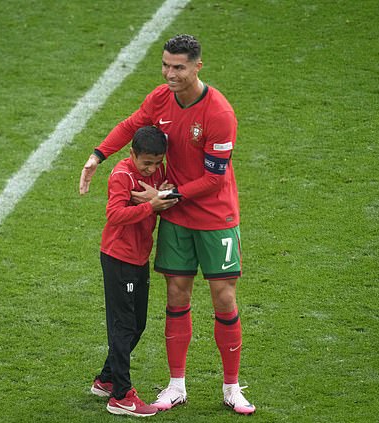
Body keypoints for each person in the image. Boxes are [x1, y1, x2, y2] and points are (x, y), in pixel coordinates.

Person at [80, 34, 255, 415]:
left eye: (178, 67)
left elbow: (214, 179)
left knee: (224, 298)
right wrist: (98, 155)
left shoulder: (219, 114)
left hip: (215, 218)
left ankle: (231, 387)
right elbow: (131, 125)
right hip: (175, 216)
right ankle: (176, 386)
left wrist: (164, 197)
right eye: (165, 65)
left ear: (197, 67)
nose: (170, 73)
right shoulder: (160, 98)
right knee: (177, 296)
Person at [90, 125, 178, 417]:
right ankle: (121, 396)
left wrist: (162, 195)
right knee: (124, 325)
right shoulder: (121, 175)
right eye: (146, 163)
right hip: (118, 259)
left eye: (157, 162)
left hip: (138, 258)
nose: (152, 169)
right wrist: (150, 206)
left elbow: (166, 197)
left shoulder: (157, 173)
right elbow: (113, 214)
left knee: (136, 324)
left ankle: (106, 379)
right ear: (132, 155)